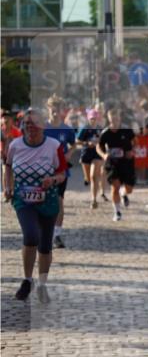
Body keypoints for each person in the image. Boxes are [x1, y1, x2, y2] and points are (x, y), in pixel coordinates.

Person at [4, 108, 68, 302]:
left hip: (47, 200)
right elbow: (7, 166)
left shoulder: (53, 145)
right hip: (23, 200)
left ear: (43, 126)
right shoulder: (15, 145)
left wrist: (53, 180)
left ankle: (42, 284)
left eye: (34, 123)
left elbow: (62, 173)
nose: (30, 127)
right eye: (27, 124)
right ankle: (26, 280)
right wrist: (7, 186)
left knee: (45, 246)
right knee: (31, 236)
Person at [43, 102, 76, 249]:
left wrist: (69, 153)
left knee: (59, 202)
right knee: (43, 201)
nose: (56, 113)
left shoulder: (66, 129)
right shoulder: (42, 128)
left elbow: (74, 144)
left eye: (58, 110)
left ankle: (56, 235)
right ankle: (44, 232)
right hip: (43, 171)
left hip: (61, 171)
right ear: (48, 110)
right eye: (53, 110)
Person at [97, 108, 135, 222]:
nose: (115, 121)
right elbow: (98, 146)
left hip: (127, 163)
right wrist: (103, 155)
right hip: (112, 163)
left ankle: (124, 194)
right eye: (112, 119)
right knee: (115, 186)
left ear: (120, 118)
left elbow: (136, 141)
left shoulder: (127, 130)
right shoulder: (106, 133)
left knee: (129, 188)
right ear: (109, 119)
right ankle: (117, 212)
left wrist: (132, 151)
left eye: (117, 119)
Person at [76, 108, 105, 208]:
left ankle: (93, 199)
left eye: (95, 118)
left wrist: (99, 144)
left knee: (94, 176)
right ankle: (86, 178)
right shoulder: (85, 128)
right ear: (88, 119)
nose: (93, 120)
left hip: (97, 154)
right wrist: (87, 143)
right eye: (91, 119)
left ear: (97, 119)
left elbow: (105, 141)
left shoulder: (101, 129)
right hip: (86, 154)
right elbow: (77, 141)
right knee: (88, 178)